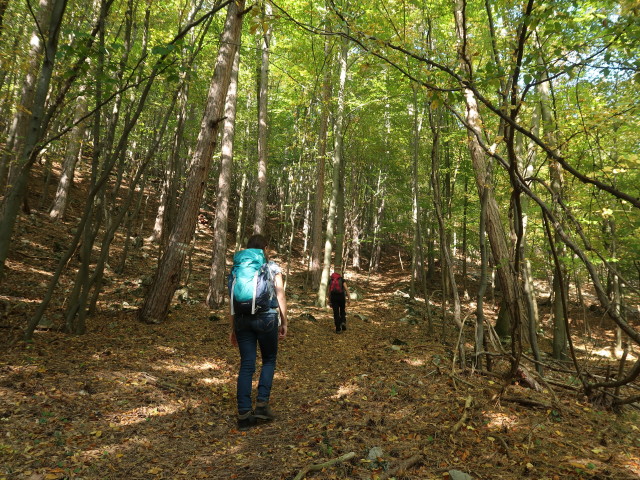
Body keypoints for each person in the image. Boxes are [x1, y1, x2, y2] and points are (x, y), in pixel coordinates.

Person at [229, 234, 288, 431]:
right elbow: (280, 294)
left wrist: (233, 328)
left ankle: (244, 413)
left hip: (242, 320)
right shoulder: (272, 267)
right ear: (265, 248)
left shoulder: (237, 268)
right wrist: (284, 321)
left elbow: (231, 300)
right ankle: (262, 405)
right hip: (267, 318)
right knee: (269, 360)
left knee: (247, 365)